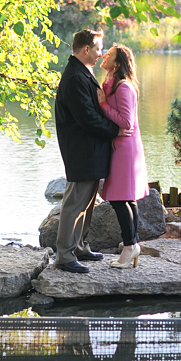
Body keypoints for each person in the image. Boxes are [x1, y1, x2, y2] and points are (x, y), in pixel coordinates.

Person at [54, 29, 130, 273]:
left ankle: (79, 247)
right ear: (86, 49)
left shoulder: (82, 73)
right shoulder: (75, 77)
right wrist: (115, 130)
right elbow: (87, 118)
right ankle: (64, 256)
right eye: (98, 49)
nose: (100, 54)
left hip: (91, 150)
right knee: (75, 203)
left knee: (87, 203)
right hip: (81, 150)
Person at [96, 44, 149, 269]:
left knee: (120, 199)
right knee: (126, 198)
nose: (104, 55)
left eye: (109, 54)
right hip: (119, 145)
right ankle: (132, 246)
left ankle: (129, 247)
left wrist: (102, 104)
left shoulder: (124, 87)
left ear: (117, 63)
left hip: (125, 149)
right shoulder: (111, 83)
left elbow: (127, 122)